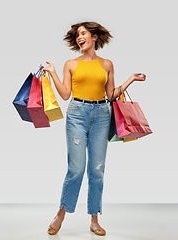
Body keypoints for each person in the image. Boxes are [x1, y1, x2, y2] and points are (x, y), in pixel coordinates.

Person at [41, 21, 146, 236]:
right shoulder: (71, 64)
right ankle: (61, 213)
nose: (80, 38)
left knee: (97, 170)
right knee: (76, 169)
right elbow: (64, 94)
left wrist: (130, 80)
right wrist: (52, 72)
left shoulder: (107, 64)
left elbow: (111, 96)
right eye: (77, 35)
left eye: (83, 34)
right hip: (77, 114)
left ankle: (94, 219)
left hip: (101, 115)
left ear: (94, 37)